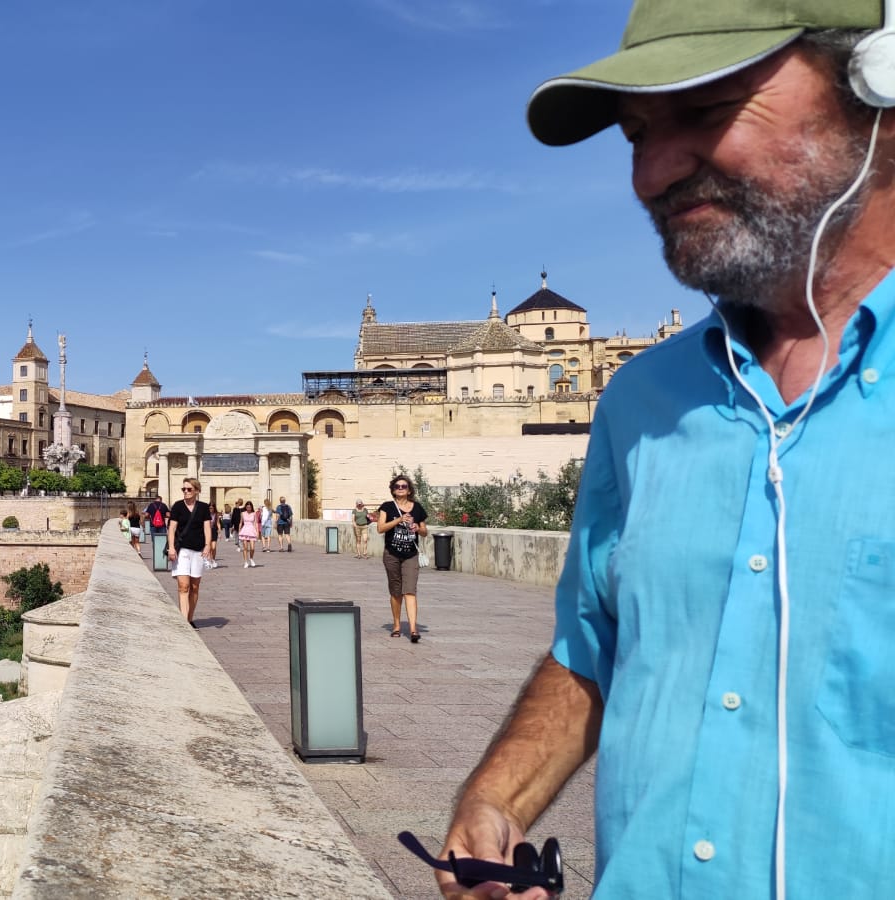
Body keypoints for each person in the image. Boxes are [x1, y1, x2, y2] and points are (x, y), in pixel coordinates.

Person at [436, 3, 895, 898]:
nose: (652, 172)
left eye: (708, 108)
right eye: (638, 133)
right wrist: (501, 799)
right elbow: (594, 644)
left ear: (878, 85)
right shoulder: (642, 402)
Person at [376, 476, 427, 643]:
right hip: (391, 554)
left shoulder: (417, 508)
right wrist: (399, 519)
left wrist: (417, 527)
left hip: (411, 554)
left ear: (409, 490)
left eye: (403, 486)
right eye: (397, 486)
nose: (400, 488)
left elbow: (425, 531)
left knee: (410, 590)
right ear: (393, 489)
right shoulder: (387, 507)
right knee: (396, 591)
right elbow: (380, 528)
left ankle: (413, 629)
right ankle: (397, 625)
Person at [165, 478, 212, 626]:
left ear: (196, 491)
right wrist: (171, 547)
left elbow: (207, 528)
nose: (185, 491)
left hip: (198, 551)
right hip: (182, 550)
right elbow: (171, 528)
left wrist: (207, 545)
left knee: (194, 587)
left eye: (189, 489)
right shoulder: (178, 506)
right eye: (183, 489)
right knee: (183, 586)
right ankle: (184, 622)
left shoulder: (203, 507)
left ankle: (190, 618)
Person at [238, 500, 261, 568]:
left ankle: (251, 558)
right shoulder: (242, 513)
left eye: (250, 507)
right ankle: (245, 562)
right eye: (247, 507)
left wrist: (257, 532)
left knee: (252, 548)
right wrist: (239, 531)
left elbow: (256, 523)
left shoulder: (254, 513)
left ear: (251, 507)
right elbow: (241, 522)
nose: (248, 508)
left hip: (251, 530)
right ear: (246, 507)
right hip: (245, 530)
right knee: (245, 548)